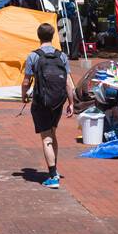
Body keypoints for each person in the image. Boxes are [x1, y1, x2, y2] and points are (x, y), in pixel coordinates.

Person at [21, 22, 76, 189]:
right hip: (58, 101)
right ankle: (55, 169)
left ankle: (52, 176)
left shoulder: (33, 56)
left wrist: (24, 96)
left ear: (38, 36)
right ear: (53, 36)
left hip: (41, 101)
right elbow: (68, 83)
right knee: (52, 133)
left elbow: (26, 81)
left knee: (46, 139)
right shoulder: (62, 56)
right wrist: (71, 103)